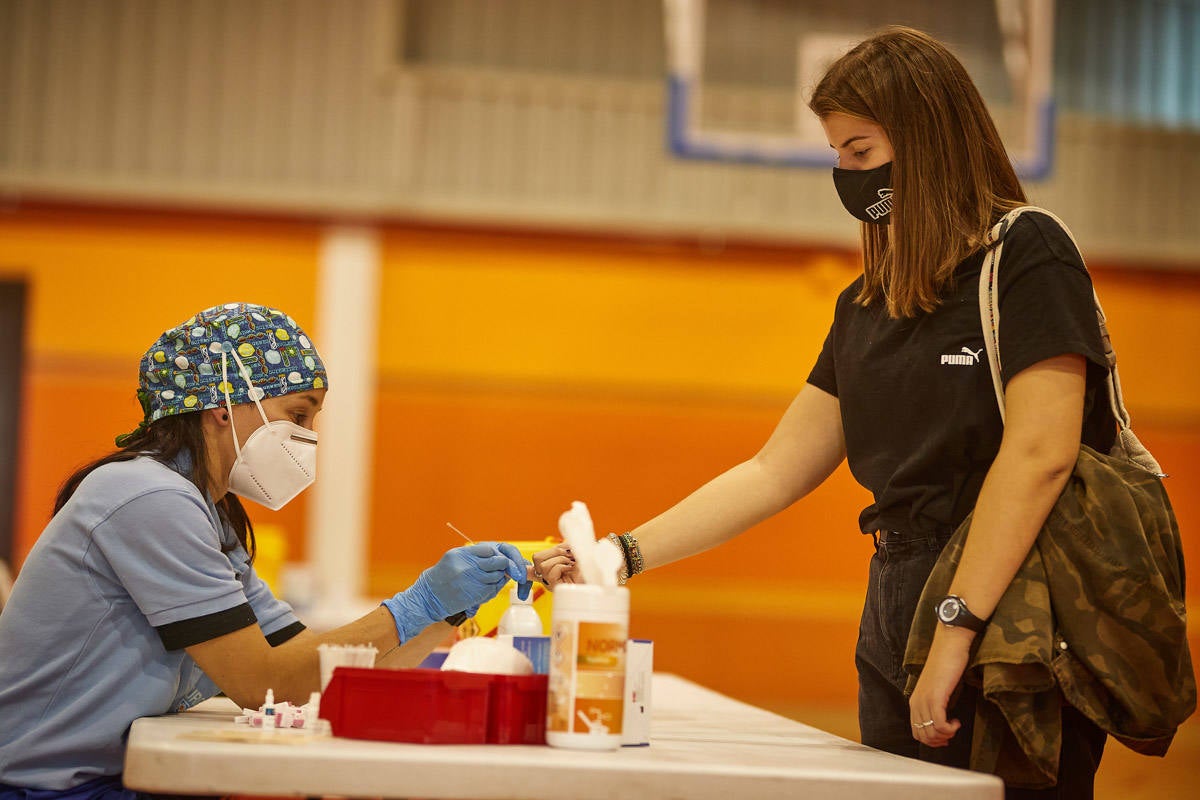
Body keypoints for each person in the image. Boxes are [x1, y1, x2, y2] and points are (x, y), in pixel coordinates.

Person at [534, 27, 1113, 798]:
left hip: (1009, 607)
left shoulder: (1028, 254)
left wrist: (954, 631)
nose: (846, 175)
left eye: (862, 152)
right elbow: (773, 470)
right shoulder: (867, 303)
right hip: (895, 598)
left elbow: (1041, 455)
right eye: (838, 155)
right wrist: (618, 554)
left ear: (927, 140)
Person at [0, 302, 530, 799]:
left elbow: (318, 678)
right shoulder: (149, 497)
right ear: (224, 405)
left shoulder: (205, 511)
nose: (309, 437)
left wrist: (447, 611)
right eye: (299, 416)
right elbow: (264, 683)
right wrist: (418, 602)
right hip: (44, 787)